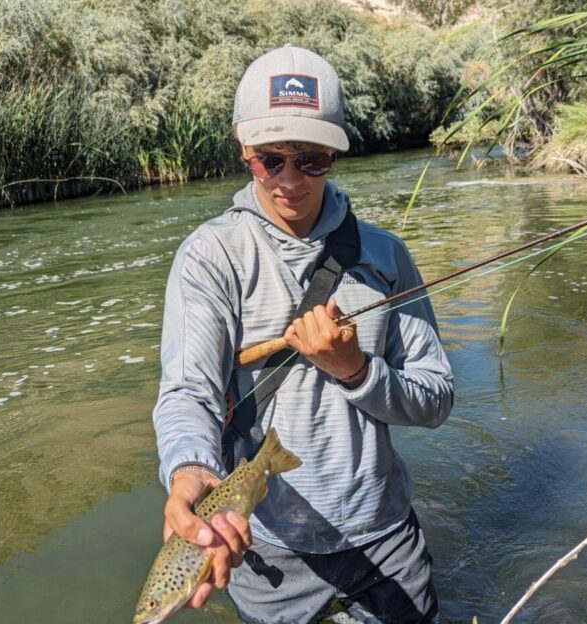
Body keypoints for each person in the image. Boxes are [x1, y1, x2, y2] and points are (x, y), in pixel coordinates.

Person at [152, 45, 454, 624]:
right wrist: (189, 470)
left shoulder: (387, 256)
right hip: (267, 552)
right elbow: (187, 391)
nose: (290, 179)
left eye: (311, 158)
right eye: (271, 159)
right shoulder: (210, 257)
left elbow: (436, 398)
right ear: (245, 150)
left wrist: (357, 372)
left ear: (335, 152)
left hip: (387, 540)